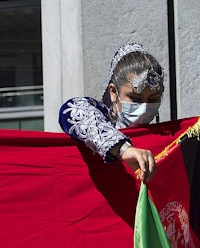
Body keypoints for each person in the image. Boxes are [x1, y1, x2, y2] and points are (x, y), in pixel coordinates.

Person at [59, 43, 164, 181]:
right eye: (135, 98)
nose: (144, 106)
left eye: (153, 99)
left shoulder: (164, 132)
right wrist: (123, 149)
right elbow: (71, 110)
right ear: (114, 92)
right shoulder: (98, 116)